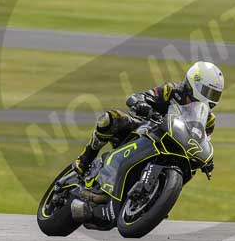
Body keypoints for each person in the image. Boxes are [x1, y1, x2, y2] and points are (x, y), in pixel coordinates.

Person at [73, 61, 224, 176]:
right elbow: (139, 97)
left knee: (189, 171)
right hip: (144, 129)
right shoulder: (170, 91)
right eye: (208, 92)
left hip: (173, 148)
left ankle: (155, 198)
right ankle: (86, 158)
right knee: (110, 119)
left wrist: (207, 161)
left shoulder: (209, 120)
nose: (210, 99)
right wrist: (141, 104)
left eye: (214, 95)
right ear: (194, 83)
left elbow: (202, 141)